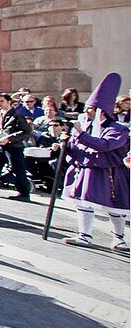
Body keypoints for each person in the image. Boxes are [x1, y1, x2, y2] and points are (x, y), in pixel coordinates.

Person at [61, 73, 129, 251]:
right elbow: (76, 147)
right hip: (86, 170)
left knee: (114, 206)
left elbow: (103, 145)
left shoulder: (118, 129)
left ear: (100, 110)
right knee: (83, 202)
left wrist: (80, 134)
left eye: (90, 108)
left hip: (110, 173)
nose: (86, 111)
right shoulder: (86, 127)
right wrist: (64, 145)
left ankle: (119, 238)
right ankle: (84, 235)